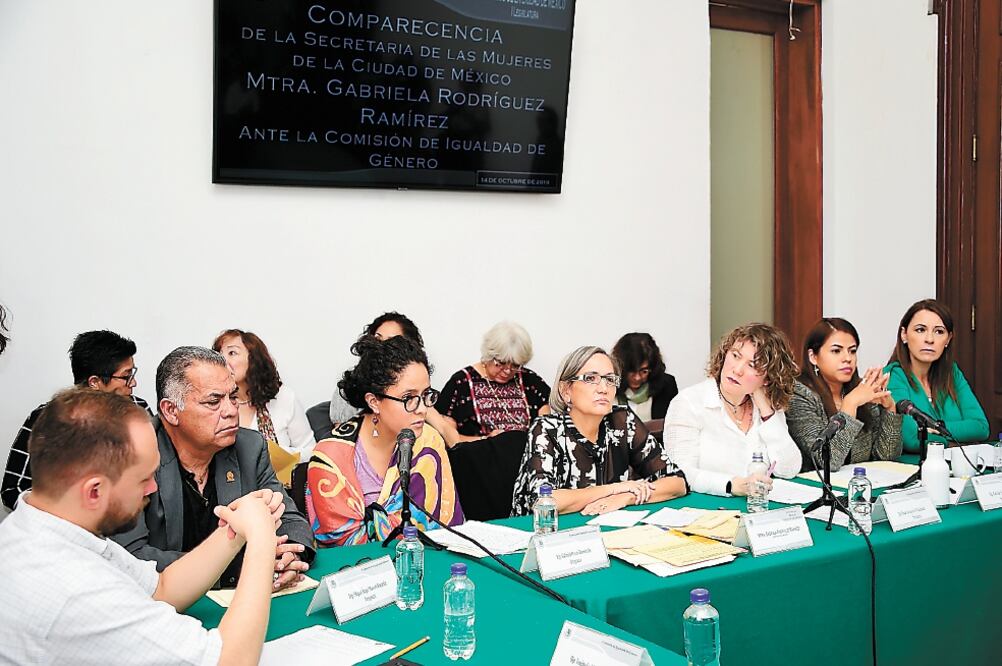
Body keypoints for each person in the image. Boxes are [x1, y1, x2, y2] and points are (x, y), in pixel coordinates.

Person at [0, 388, 281, 665]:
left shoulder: (43, 528)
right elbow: (229, 661)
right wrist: (261, 540)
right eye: (143, 479)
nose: (153, 487)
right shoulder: (76, 590)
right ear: (94, 491)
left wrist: (236, 529)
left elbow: (162, 589)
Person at [113, 346, 314, 591]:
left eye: (233, 397)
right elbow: (131, 556)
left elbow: (290, 519)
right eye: (214, 401)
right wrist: (241, 566)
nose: (231, 411)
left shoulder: (249, 447)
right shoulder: (135, 453)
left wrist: (288, 556)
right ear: (171, 410)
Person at [307, 335, 464, 546]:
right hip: (357, 570)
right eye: (409, 398)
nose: (422, 408)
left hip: (424, 562)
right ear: (374, 402)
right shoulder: (331, 456)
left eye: (426, 395)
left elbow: (446, 527)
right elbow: (342, 543)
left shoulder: (428, 441)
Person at [511, 346, 687, 516]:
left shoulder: (622, 421)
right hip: (541, 534)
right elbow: (544, 500)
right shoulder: (546, 429)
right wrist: (614, 489)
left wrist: (626, 497)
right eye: (590, 378)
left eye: (610, 379)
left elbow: (677, 483)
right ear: (566, 391)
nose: (603, 388)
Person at [2, 330, 152, 511]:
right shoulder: (47, 420)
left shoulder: (138, 410)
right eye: (126, 376)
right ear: (95, 382)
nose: (133, 383)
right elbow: (13, 490)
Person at [664, 323, 802, 497]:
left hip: (757, 509)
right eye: (735, 356)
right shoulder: (689, 403)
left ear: (768, 378)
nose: (737, 370)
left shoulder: (766, 408)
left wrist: (765, 408)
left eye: (752, 365)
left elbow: (789, 469)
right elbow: (680, 475)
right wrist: (731, 485)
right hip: (704, 510)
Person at [787, 318, 903, 472]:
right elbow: (827, 462)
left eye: (852, 351)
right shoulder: (799, 394)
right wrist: (850, 404)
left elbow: (887, 456)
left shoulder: (861, 390)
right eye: (836, 351)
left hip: (858, 485)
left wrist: (890, 409)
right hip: (816, 490)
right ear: (813, 357)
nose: (847, 358)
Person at [212, 329, 316, 485]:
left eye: (232, 353)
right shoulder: (212, 404)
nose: (223, 360)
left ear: (254, 359)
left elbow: (311, 451)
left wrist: (278, 456)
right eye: (219, 354)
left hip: (278, 491)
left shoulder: (284, 398)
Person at [885, 299, 989, 451]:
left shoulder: (952, 373)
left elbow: (981, 427)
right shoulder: (893, 375)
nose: (929, 339)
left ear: (948, 339)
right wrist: (953, 441)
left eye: (939, 331)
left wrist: (938, 428)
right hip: (913, 469)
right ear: (904, 334)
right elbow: (911, 439)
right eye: (920, 330)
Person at [437, 321, 550, 437]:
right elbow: (448, 439)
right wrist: (486, 440)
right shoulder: (460, 383)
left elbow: (545, 433)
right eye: (501, 363)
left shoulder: (531, 382)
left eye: (515, 365)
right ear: (489, 354)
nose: (507, 371)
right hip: (479, 453)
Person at [329, 312, 425, 425]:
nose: (380, 347)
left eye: (391, 342)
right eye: (377, 339)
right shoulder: (349, 387)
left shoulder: (419, 389)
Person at [611, 332, 679, 422]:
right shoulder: (610, 386)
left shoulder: (666, 386)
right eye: (631, 371)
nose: (637, 377)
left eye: (644, 371)